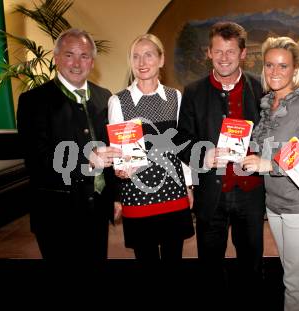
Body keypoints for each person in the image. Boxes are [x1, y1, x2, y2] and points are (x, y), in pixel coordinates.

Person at [175, 21, 265, 308]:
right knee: (209, 266)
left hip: (250, 192)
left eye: (230, 51)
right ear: (209, 53)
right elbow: (182, 140)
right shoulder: (193, 91)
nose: (224, 57)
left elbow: (279, 124)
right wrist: (203, 155)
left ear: (242, 53)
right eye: (218, 51)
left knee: (251, 265)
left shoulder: (261, 87)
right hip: (211, 195)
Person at [17, 28, 122, 261]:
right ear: (56, 59)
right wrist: (86, 161)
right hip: (56, 214)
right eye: (69, 55)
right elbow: (36, 159)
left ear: (92, 62)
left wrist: (115, 196)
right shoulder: (33, 101)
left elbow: (113, 148)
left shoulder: (104, 96)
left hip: (97, 209)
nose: (77, 63)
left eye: (84, 56)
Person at [242, 36, 299, 311]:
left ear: (295, 69)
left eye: (283, 66)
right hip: (274, 203)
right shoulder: (269, 103)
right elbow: (264, 147)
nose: (275, 72)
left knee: (292, 277)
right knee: (297, 269)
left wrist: (268, 165)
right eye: (269, 65)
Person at [107, 34, 194, 280]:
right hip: (136, 191)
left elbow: (182, 145)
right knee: (146, 265)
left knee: (173, 261)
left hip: (173, 189)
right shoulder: (118, 101)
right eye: (135, 56)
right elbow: (117, 150)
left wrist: (188, 185)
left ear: (161, 59)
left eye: (148, 55)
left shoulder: (175, 97)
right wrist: (119, 169)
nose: (142, 62)